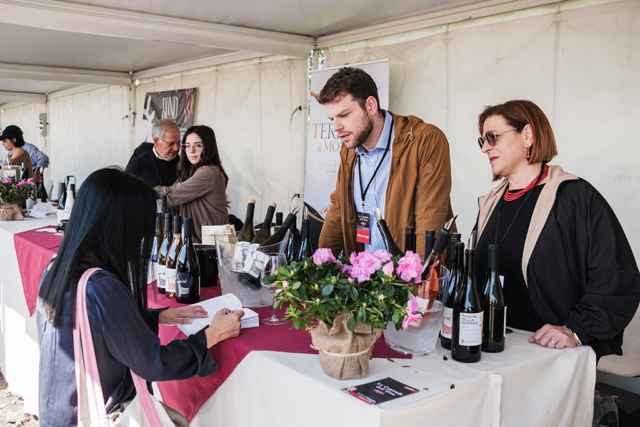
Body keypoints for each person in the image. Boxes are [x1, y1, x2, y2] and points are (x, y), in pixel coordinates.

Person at [37, 167, 243, 427]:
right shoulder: (101, 285)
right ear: (120, 228)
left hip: (59, 412)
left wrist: (153, 317)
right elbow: (155, 364)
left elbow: (92, 326)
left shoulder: (55, 268)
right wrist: (211, 334)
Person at [473, 100, 640, 360]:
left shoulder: (574, 197)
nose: (485, 148)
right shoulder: (490, 203)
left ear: (527, 135)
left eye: (493, 137)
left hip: (548, 354)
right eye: (482, 140)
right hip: (491, 349)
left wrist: (575, 330)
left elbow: (617, 276)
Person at [317, 67, 455, 260]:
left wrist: (418, 275)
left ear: (371, 106)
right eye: (332, 119)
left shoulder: (425, 140)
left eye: (344, 115)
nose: (335, 127)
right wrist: (317, 265)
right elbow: (339, 209)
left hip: (406, 274)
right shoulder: (349, 150)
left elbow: (429, 217)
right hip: (365, 273)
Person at [155, 125, 229, 243]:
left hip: (210, 246)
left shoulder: (208, 172)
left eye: (198, 145)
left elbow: (171, 195)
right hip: (196, 243)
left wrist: (141, 192)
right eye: (187, 146)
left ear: (208, 147)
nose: (191, 150)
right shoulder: (191, 173)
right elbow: (173, 206)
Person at [126, 118, 181, 187]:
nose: (176, 148)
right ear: (156, 141)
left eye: (178, 143)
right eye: (171, 143)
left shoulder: (183, 160)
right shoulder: (138, 163)